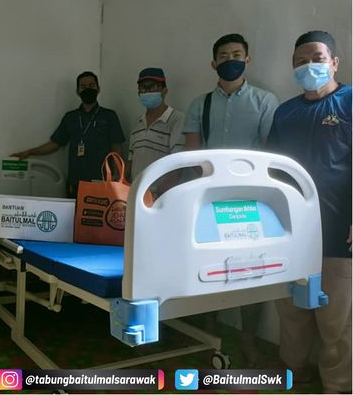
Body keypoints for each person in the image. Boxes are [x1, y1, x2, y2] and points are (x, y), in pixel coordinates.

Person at [183, 33, 280, 366]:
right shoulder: (199, 104)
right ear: (213, 63)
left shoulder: (265, 101)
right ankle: (209, 332)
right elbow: (192, 154)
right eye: (223, 56)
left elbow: (269, 154)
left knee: (252, 269)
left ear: (247, 59)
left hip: (249, 203)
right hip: (208, 199)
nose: (230, 60)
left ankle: (249, 340)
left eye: (237, 54)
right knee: (207, 267)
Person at [267, 30, 351, 393]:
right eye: (301, 61)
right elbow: (271, 171)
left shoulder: (349, 102)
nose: (309, 66)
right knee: (291, 310)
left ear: (334, 62)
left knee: (337, 319)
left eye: (317, 58)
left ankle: (338, 384)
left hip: (338, 231)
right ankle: (293, 370)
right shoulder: (285, 113)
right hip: (290, 233)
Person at [12, 71, 125, 197]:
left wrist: (118, 173)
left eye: (92, 86)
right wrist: (30, 152)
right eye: (83, 87)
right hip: (76, 182)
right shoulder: (70, 117)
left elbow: (116, 146)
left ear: (98, 89)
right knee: (73, 210)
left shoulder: (109, 116)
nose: (88, 89)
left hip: (102, 181)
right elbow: (55, 143)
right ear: (77, 91)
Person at [126, 67, 185, 193]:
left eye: (152, 87)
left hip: (161, 194)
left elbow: (178, 161)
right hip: (136, 193)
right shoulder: (138, 123)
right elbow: (131, 159)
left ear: (164, 91)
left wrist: (165, 189)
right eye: (143, 88)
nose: (147, 91)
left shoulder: (177, 119)